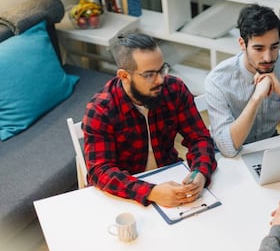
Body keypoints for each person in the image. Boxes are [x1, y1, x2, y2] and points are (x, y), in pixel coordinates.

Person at [82, 32, 217, 208]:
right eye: (149, 74)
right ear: (124, 76)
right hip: (125, 195)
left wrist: (200, 172)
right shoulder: (101, 109)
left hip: (171, 178)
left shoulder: (174, 89)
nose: (160, 79)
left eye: (162, 69)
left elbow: (199, 138)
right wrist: (151, 192)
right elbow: (100, 171)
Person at [204, 4, 280, 158]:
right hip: (227, 153)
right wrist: (256, 98)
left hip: (267, 144)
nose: (268, 58)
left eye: (274, 47)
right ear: (242, 44)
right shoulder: (217, 81)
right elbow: (227, 148)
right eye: (259, 49)